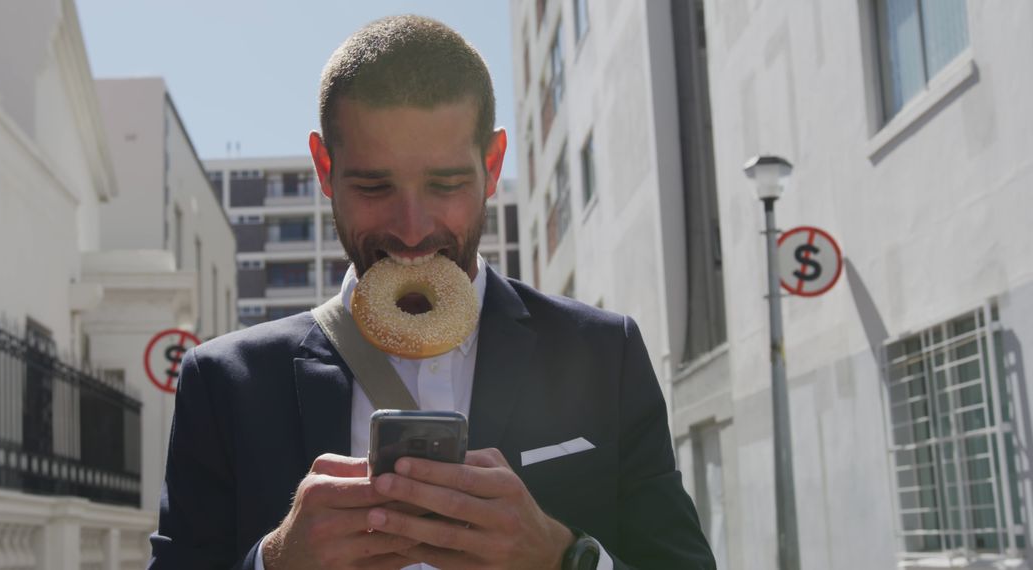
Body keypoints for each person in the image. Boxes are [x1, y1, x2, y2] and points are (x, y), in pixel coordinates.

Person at [148, 15, 715, 570]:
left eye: (447, 184)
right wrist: (274, 562)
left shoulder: (600, 354)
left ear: (492, 165)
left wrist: (564, 558)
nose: (413, 230)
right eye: (374, 186)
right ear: (325, 168)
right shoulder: (225, 382)